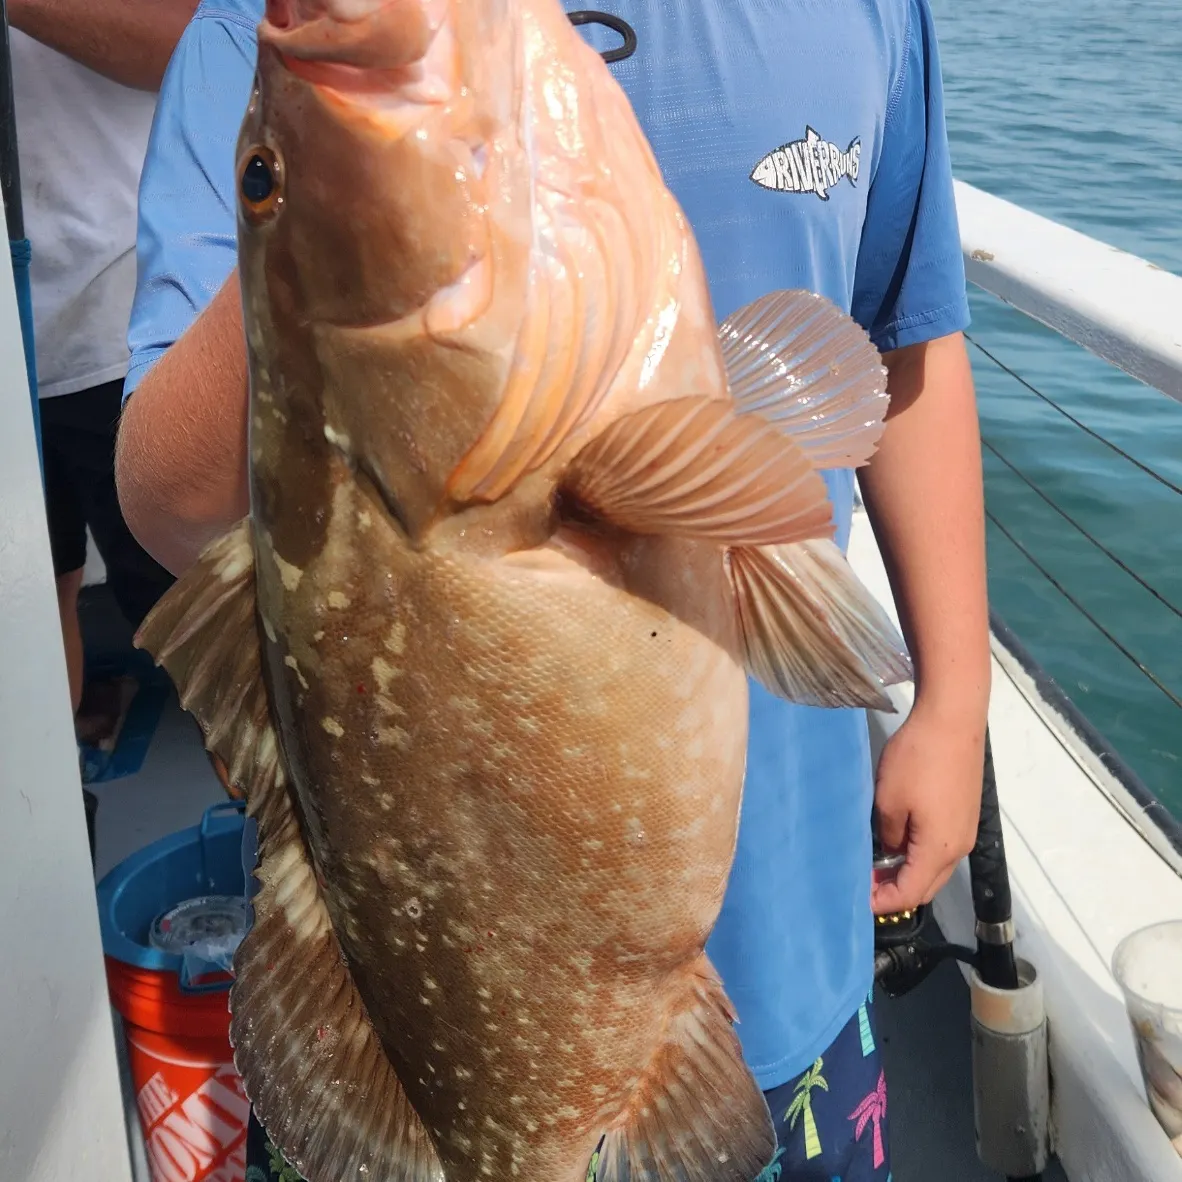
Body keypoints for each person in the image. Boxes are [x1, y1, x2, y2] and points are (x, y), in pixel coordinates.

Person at [115, 0, 991, 1177]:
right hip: (437, 1028)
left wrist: (957, 695)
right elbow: (164, 498)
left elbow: (903, 346)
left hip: (791, 927)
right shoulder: (265, 39)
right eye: (264, 175)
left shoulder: (863, 17)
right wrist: (320, 197)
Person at [9, 0, 196, 729]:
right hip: (15, 348)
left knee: (198, 615)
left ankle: (288, 827)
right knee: (29, 609)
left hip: (121, 326)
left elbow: (186, 41)